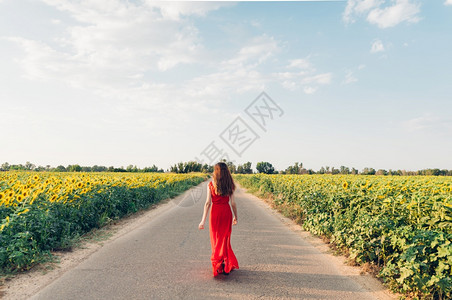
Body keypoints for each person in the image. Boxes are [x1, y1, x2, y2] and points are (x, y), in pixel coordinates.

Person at [198, 162, 239, 276]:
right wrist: (236, 216)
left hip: (215, 213)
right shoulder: (230, 184)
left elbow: (207, 203)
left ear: (215, 172)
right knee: (225, 239)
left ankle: (218, 264)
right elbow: (233, 203)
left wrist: (203, 220)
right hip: (226, 213)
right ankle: (225, 263)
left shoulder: (211, 185)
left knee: (216, 239)